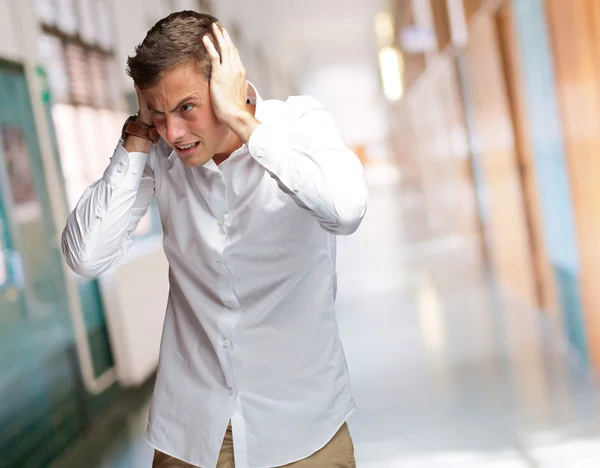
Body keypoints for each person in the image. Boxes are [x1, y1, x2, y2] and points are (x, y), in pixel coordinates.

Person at [61, 10, 367, 468]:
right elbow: (85, 257)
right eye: (158, 113)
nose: (174, 132)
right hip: (192, 430)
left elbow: (345, 210)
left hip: (301, 430)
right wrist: (137, 138)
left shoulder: (299, 125)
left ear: (228, 81)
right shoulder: (161, 149)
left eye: (187, 107)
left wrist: (244, 124)